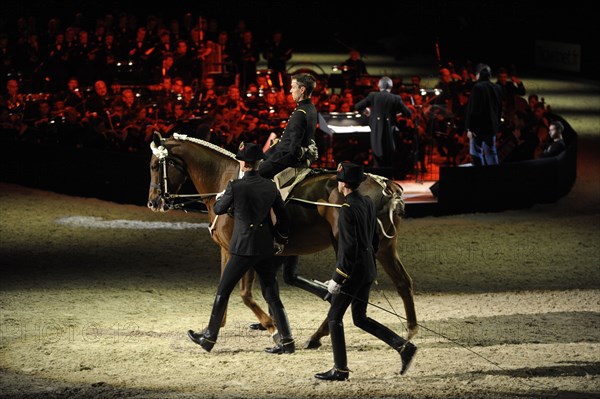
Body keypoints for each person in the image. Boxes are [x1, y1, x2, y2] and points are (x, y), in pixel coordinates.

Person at [187, 142, 294, 354]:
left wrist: (222, 198)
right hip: (264, 247)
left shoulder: (235, 186)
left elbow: (219, 208)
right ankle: (287, 341)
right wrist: (280, 239)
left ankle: (209, 338)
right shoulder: (270, 187)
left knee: (223, 291)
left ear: (243, 163)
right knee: (271, 294)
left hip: (242, 248)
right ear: (258, 163)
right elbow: (282, 217)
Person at [315, 162, 417, 381]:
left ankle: (340, 369)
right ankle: (403, 347)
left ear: (344, 184)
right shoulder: (369, 203)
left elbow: (348, 249)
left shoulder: (347, 210)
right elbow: (373, 239)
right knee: (359, 317)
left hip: (352, 273)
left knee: (334, 317)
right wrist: (369, 265)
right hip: (367, 269)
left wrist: (337, 278)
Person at [258, 73, 317, 179]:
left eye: (293, 87)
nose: (290, 91)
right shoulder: (311, 108)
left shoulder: (300, 113)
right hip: (282, 151)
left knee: (254, 173)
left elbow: (293, 150)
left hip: (284, 158)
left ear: (302, 90)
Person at [354, 76, 412, 171]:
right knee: (389, 158)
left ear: (379, 86)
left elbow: (357, 106)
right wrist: (397, 114)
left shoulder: (373, 96)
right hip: (390, 130)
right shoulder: (395, 98)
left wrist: (367, 111)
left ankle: (377, 179)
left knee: (377, 156)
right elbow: (408, 113)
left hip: (375, 129)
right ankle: (388, 179)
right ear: (391, 86)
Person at [464, 63, 503, 166]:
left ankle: (480, 178)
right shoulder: (498, 88)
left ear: (478, 74)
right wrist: (497, 127)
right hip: (492, 127)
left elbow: (474, 110)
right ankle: (494, 178)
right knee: (491, 153)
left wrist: (470, 128)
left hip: (478, 128)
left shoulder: (477, 87)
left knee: (476, 153)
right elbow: (499, 109)